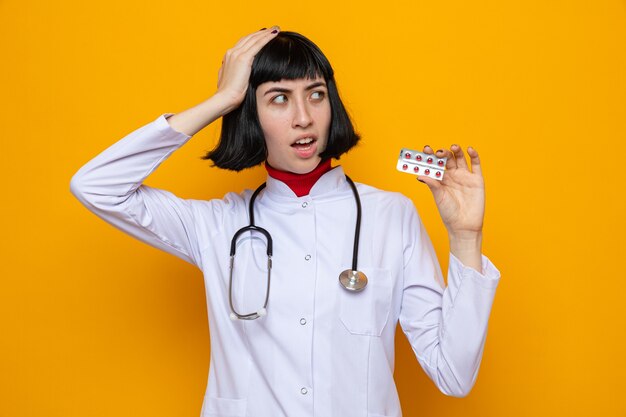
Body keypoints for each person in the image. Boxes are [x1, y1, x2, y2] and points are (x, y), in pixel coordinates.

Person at [70, 26, 500, 417]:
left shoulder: (391, 215)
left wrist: (465, 238)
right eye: (279, 97)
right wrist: (221, 100)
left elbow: (454, 374)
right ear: (249, 112)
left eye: (315, 94)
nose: (304, 117)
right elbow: (96, 186)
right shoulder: (217, 226)